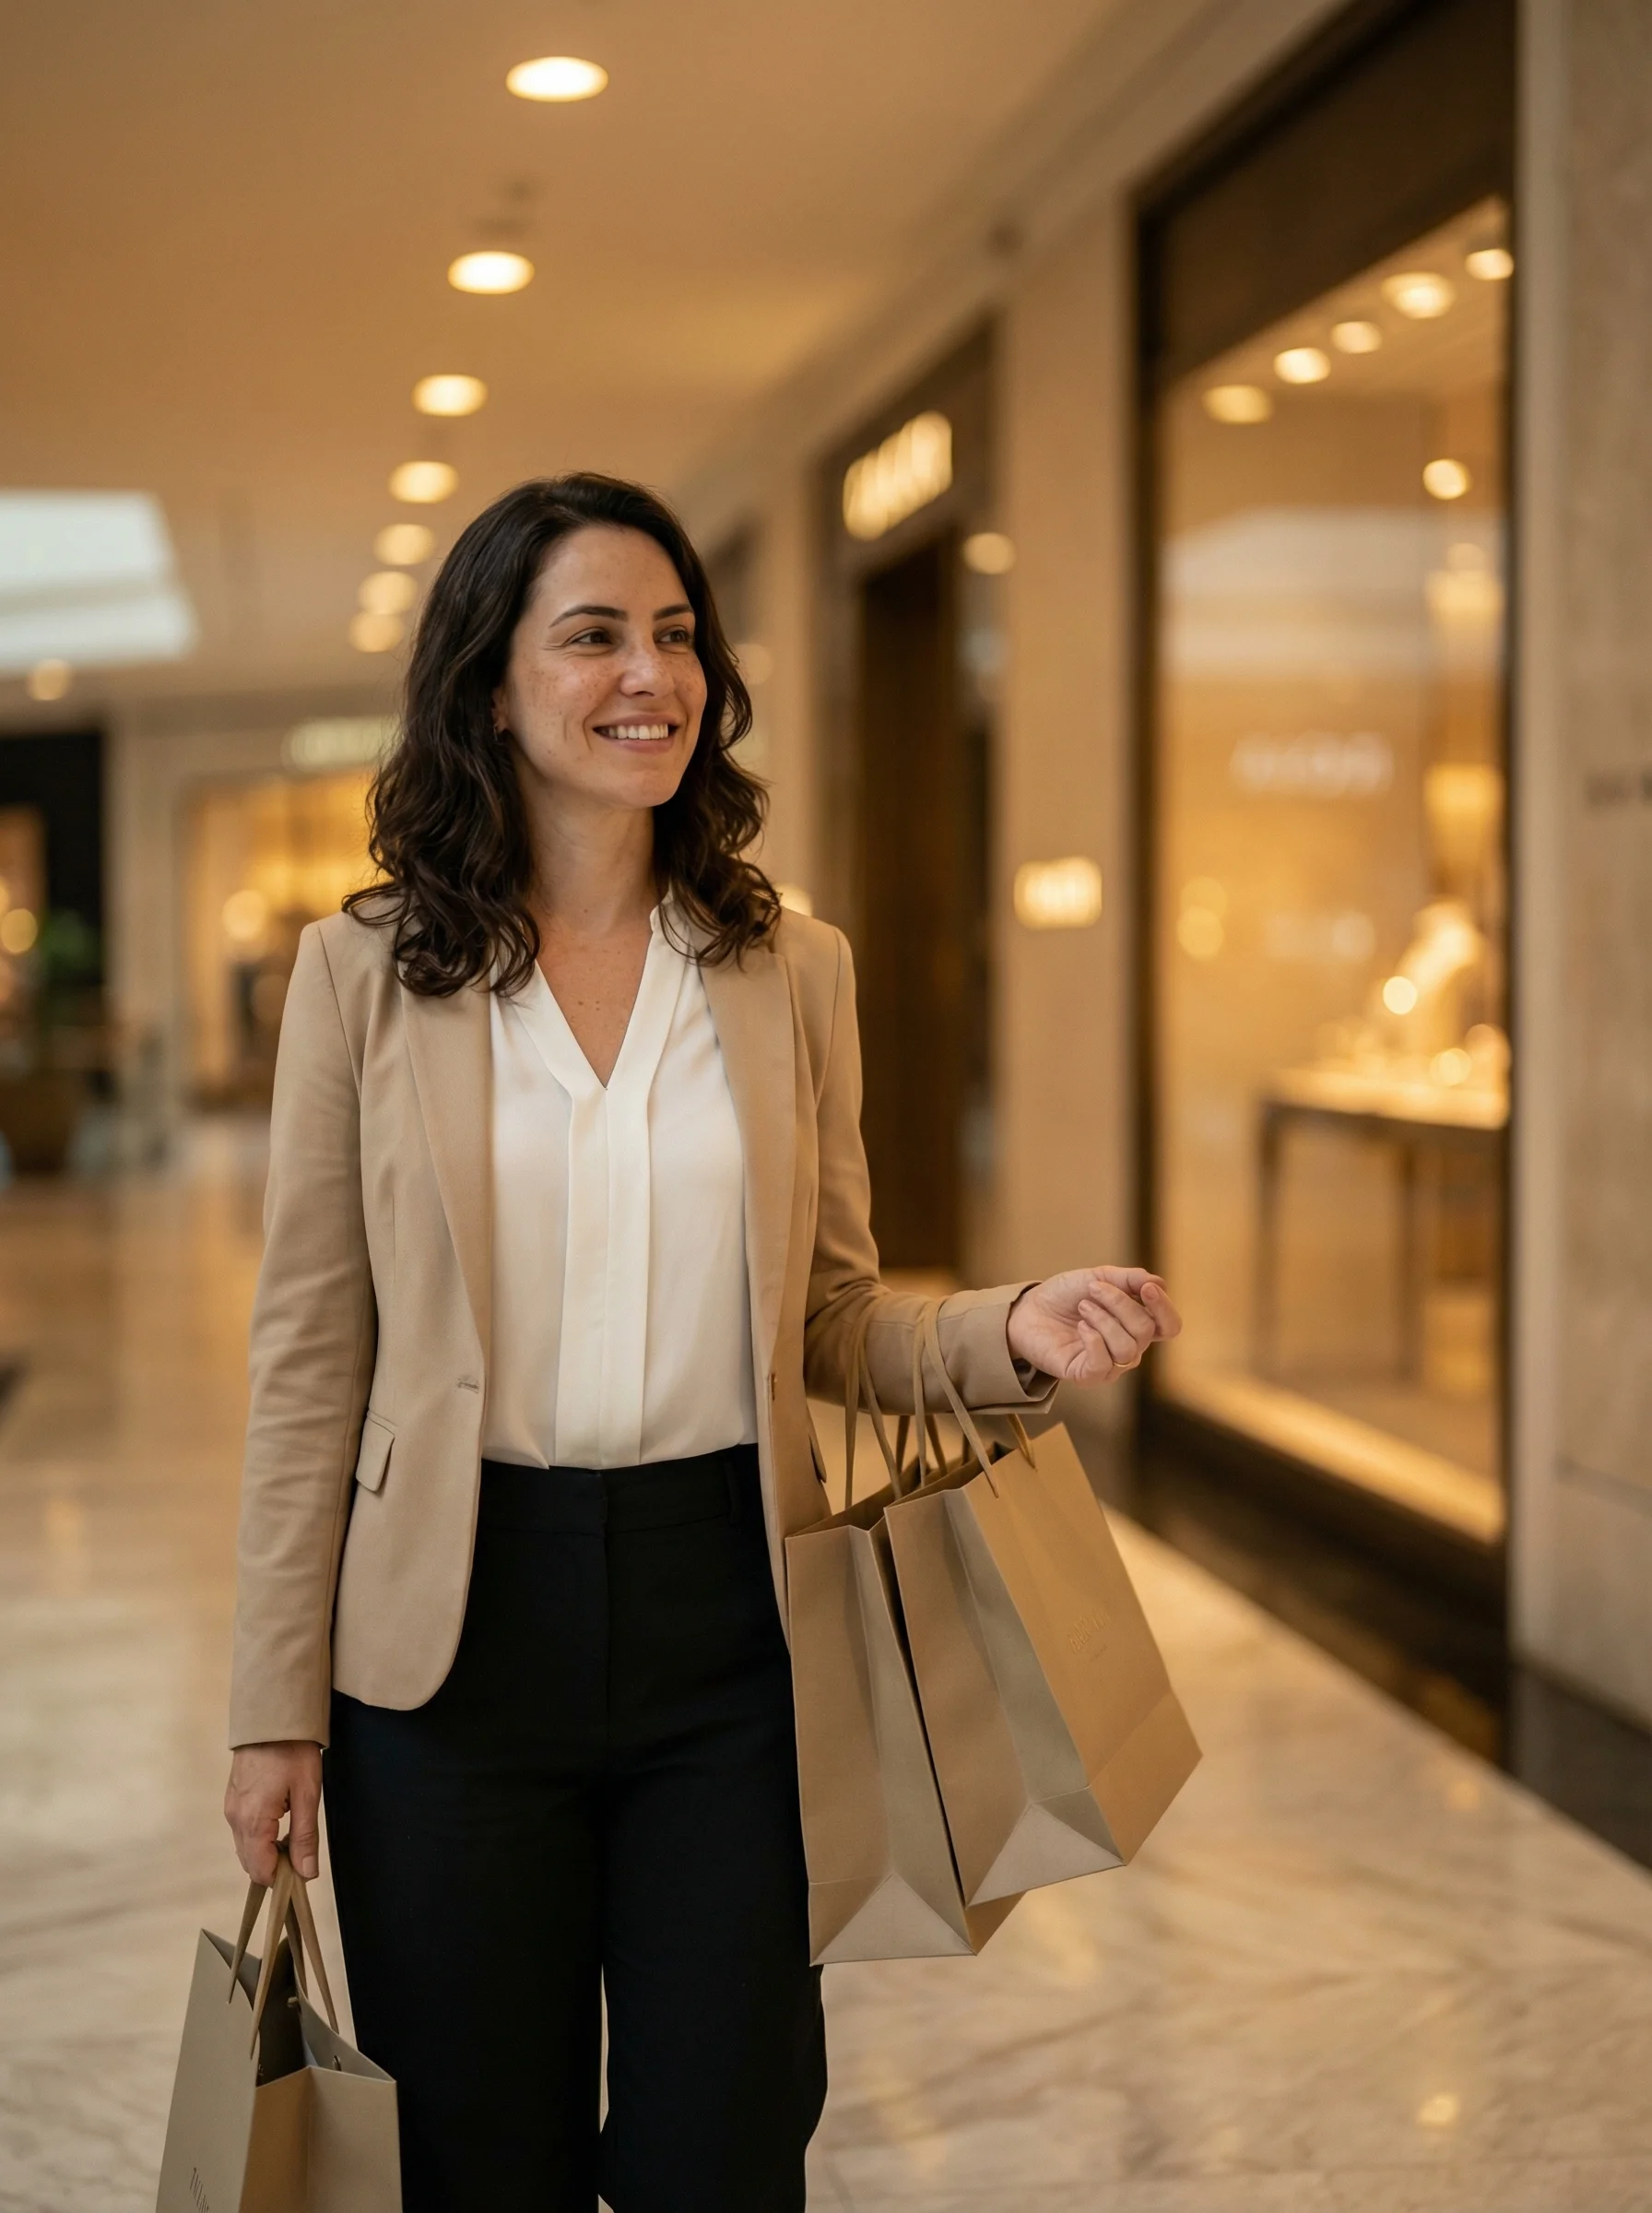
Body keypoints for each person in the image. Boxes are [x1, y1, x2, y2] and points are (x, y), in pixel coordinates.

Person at [222, 472, 1180, 2212]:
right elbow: (310, 1367)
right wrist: (270, 1711)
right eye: (591, 634)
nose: (647, 671)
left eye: (673, 634)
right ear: (488, 683)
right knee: (473, 2150)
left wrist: (1005, 1330)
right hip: (446, 1644)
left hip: (736, 1624)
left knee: (726, 2146)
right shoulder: (363, 975)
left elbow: (829, 1310)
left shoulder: (783, 966)